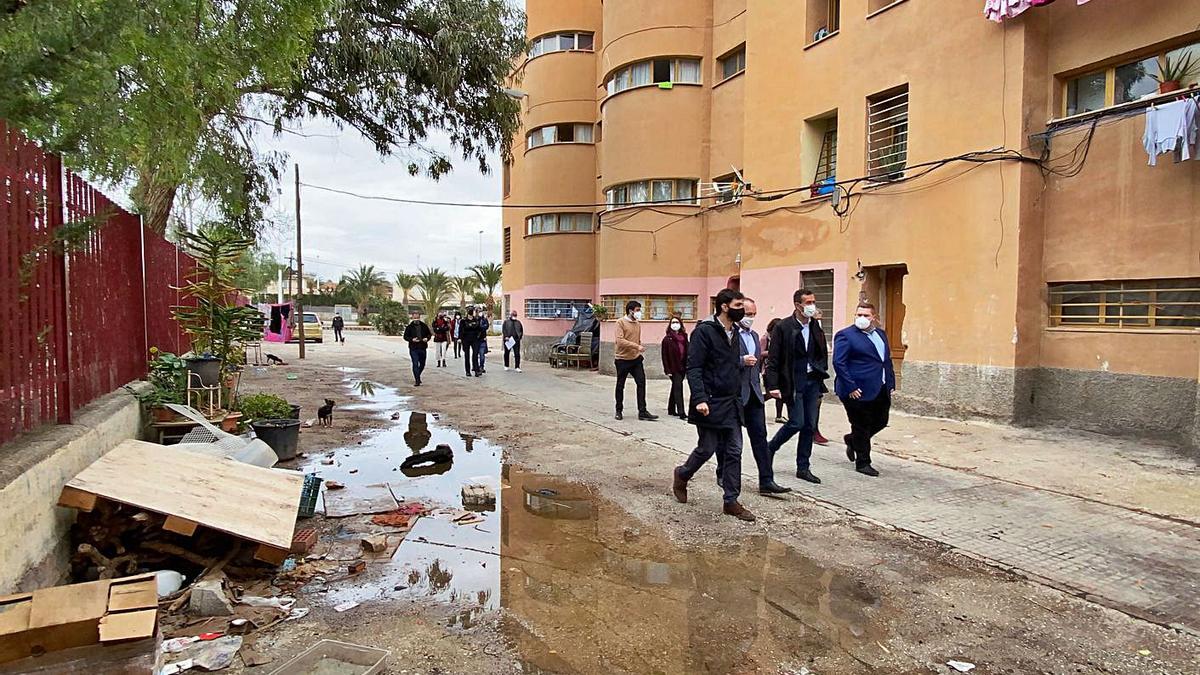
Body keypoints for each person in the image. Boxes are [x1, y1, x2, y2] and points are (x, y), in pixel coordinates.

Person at [671, 288, 755, 522]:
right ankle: (682, 474)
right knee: (707, 448)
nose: (743, 311)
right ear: (725, 307)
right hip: (709, 401)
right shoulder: (704, 332)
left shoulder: (736, 333)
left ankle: (731, 500)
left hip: (731, 403)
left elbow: (731, 365)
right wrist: (699, 398)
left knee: (734, 450)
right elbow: (694, 367)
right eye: (738, 306)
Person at [764, 288, 829, 485]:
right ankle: (770, 448)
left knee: (810, 425)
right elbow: (774, 359)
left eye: (813, 302)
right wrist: (772, 385)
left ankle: (803, 466)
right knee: (796, 422)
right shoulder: (784, 327)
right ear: (797, 305)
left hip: (812, 381)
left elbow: (821, 351)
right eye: (808, 302)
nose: (812, 306)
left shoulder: (815, 326)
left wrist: (820, 371)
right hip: (792, 382)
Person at [732, 299, 791, 495]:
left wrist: (766, 387)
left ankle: (766, 480)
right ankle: (724, 474)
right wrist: (741, 361)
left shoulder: (755, 336)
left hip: (754, 395)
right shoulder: (729, 335)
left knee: (760, 438)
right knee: (730, 441)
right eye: (747, 314)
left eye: (753, 314)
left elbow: (758, 366)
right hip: (734, 395)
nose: (751, 318)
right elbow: (721, 361)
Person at [833, 302, 895, 477]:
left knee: (881, 420)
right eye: (859, 314)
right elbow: (839, 362)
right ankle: (863, 462)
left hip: (879, 386)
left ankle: (852, 440)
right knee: (861, 425)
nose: (862, 318)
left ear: (874, 317)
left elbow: (886, 361)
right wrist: (851, 386)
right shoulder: (846, 335)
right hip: (855, 389)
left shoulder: (881, 335)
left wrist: (890, 383)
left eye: (866, 315)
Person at [613, 300, 657, 421]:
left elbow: (637, 339)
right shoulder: (620, 323)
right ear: (630, 311)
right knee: (620, 385)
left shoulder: (637, 323)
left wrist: (638, 347)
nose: (639, 313)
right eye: (637, 310)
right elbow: (620, 341)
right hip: (622, 359)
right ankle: (619, 410)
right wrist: (636, 346)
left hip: (636, 359)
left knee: (641, 383)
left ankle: (642, 411)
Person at [660, 317, 688, 420]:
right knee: (678, 387)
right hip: (673, 367)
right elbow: (664, 356)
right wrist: (667, 370)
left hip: (683, 366)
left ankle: (671, 409)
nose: (675, 324)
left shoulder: (684, 337)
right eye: (673, 322)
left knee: (675, 387)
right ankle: (681, 412)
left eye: (677, 322)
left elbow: (686, 351)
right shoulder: (667, 339)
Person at [763, 318, 786, 424]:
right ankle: (756, 402)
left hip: (779, 369)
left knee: (779, 393)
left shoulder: (780, 338)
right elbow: (759, 352)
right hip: (767, 370)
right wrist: (773, 351)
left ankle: (779, 415)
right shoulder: (765, 338)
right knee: (770, 393)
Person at [402, 311, 433, 386]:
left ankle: (417, 375)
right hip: (413, 348)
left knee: (422, 364)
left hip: (422, 347)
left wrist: (427, 338)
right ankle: (417, 380)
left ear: (419, 317)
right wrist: (412, 339)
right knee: (415, 363)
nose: (416, 319)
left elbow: (429, 334)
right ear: (412, 317)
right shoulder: (409, 327)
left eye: (417, 317)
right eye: (414, 317)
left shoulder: (424, 326)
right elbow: (405, 336)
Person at [459, 307, 481, 377]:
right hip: (466, 339)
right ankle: (467, 371)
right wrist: (460, 338)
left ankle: (476, 370)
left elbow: (479, 329)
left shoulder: (476, 319)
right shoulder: (463, 321)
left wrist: (478, 336)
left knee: (475, 355)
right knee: (467, 355)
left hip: (475, 339)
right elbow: (461, 330)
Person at [475, 309, 491, 375]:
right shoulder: (475, 319)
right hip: (475, 340)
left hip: (482, 340)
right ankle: (476, 366)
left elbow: (486, 326)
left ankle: (481, 366)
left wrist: (480, 327)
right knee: (475, 355)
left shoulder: (484, 320)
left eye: (481, 311)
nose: (480, 313)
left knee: (482, 354)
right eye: (479, 312)